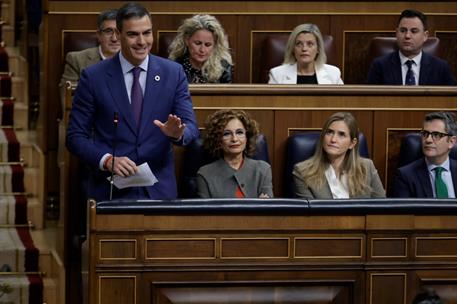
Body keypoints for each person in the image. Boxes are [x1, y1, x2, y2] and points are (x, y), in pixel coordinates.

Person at [66, 2, 199, 201]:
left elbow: (191, 127)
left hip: (158, 190)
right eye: (133, 34)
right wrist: (107, 160)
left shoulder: (173, 73)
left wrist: (178, 134)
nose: (142, 41)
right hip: (110, 190)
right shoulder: (94, 77)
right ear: (118, 35)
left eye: (147, 33)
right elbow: (75, 137)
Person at [293, 112, 385, 199]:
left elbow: (382, 207)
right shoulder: (303, 172)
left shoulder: (367, 167)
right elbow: (310, 214)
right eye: (329, 132)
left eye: (341, 134)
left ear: (352, 143)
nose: (333, 139)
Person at [196, 109, 273, 198]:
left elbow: (267, 209)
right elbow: (205, 211)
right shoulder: (205, 174)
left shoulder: (263, 170)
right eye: (226, 134)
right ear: (218, 140)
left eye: (239, 132)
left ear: (246, 137)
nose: (234, 139)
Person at [367, 9, 456, 85]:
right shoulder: (380, 66)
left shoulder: (440, 68)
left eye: (414, 31)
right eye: (403, 30)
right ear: (396, 33)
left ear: (425, 36)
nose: (407, 36)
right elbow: (369, 101)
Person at [59, 8, 121, 106]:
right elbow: (68, 103)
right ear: (99, 35)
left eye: (119, 32)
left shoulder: (135, 61)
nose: (114, 38)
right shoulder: (76, 60)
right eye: (108, 31)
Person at [393, 112, 457, 198]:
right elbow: (404, 211)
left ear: (451, 142)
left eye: (436, 135)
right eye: (425, 134)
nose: (428, 140)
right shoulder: (405, 175)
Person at [268, 23, 343, 84]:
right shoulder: (277, 74)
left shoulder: (333, 73)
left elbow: (342, 101)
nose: (304, 49)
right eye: (299, 44)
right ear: (293, 49)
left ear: (318, 49)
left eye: (310, 44)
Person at [168, 14, 233, 83]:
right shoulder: (174, 66)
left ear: (215, 45)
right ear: (187, 40)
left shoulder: (223, 68)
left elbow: (226, 93)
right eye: (198, 43)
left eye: (208, 45)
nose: (202, 50)